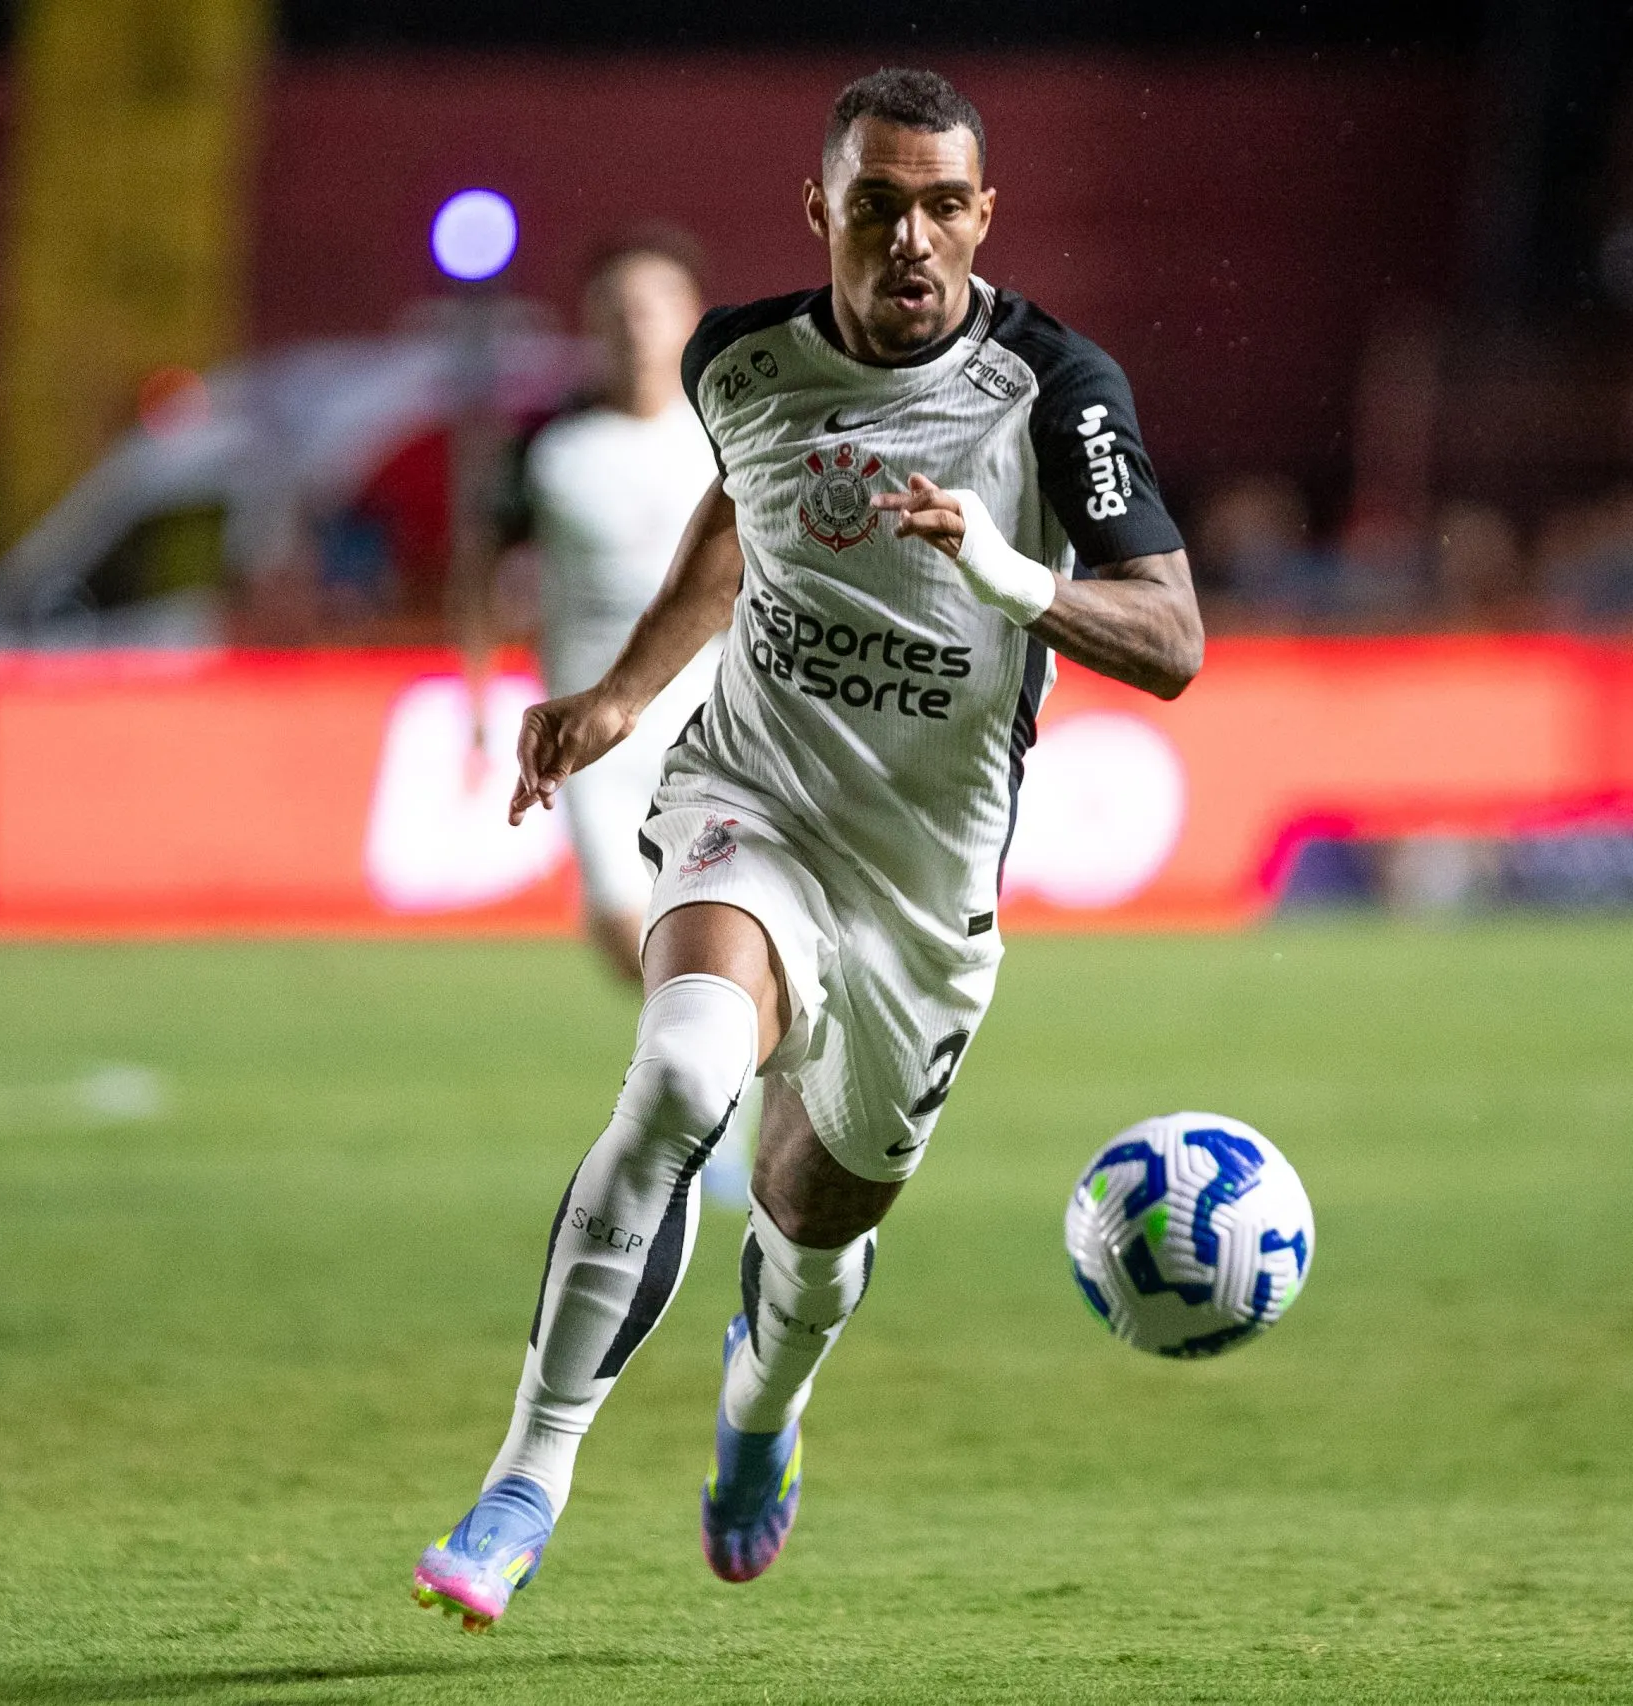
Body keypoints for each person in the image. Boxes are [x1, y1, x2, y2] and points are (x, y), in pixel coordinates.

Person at [410, 65, 1201, 1628]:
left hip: (926, 880)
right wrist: (620, 693)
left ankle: (760, 1409)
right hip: (754, 798)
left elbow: (1172, 638)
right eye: (878, 204)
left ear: (985, 214)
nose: (912, 238)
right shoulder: (741, 361)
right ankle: (524, 1482)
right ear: (820, 208)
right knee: (680, 1077)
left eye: (943, 206)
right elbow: (739, 523)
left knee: (812, 1228)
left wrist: (1010, 576)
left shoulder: (1058, 387)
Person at [527, 234, 723, 988]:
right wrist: (479, 691)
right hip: (592, 727)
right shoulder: (550, 451)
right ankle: (710, 1043)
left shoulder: (728, 441)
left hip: (711, 723)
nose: (636, 327)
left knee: (709, 924)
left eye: (653, 307)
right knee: (618, 924)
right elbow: (480, 568)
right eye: (617, 310)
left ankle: (710, 1052)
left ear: (691, 316)